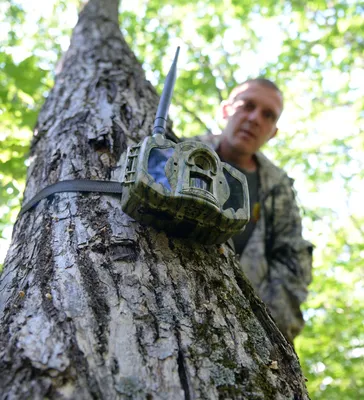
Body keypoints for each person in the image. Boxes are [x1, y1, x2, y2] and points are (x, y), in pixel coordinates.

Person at [198, 78, 313, 343]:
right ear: (226, 110)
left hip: (247, 328)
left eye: (268, 115)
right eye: (247, 106)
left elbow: (293, 261)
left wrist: (264, 331)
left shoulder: (278, 187)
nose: (254, 118)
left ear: (273, 132)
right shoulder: (182, 153)